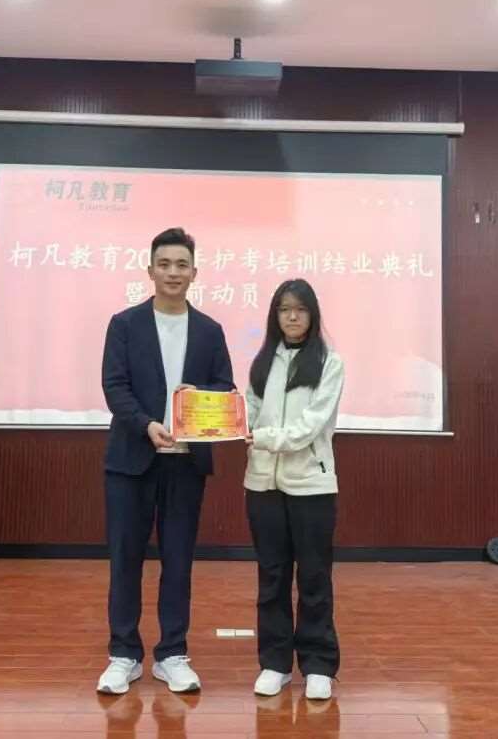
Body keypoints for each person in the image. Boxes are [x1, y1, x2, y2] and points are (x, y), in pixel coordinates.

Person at [96, 227, 235, 695]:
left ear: (195, 273)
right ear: (150, 270)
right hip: (131, 459)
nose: (173, 272)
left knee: (178, 561)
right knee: (125, 559)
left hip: (186, 463)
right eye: (164, 264)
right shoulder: (124, 324)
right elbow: (115, 386)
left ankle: (172, 654)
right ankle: (124, 654)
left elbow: (224, 387)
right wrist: (146, 424)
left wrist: (202, 401)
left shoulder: (210, 330)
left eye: (181, 265)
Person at [243, 278, 345, 700]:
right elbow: (247, 411)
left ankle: (318, 665)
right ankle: (275, 663)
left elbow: (311, 426)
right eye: (284, 309)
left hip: (312, 485)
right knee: (272, 576)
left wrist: (264, 438)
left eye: (300, 309)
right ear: (275, 315)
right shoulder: (263, 361)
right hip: (262, 483)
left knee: (314, 576)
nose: (292, 316)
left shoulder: (329, 362)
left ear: (312, 314)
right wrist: (224, 419)